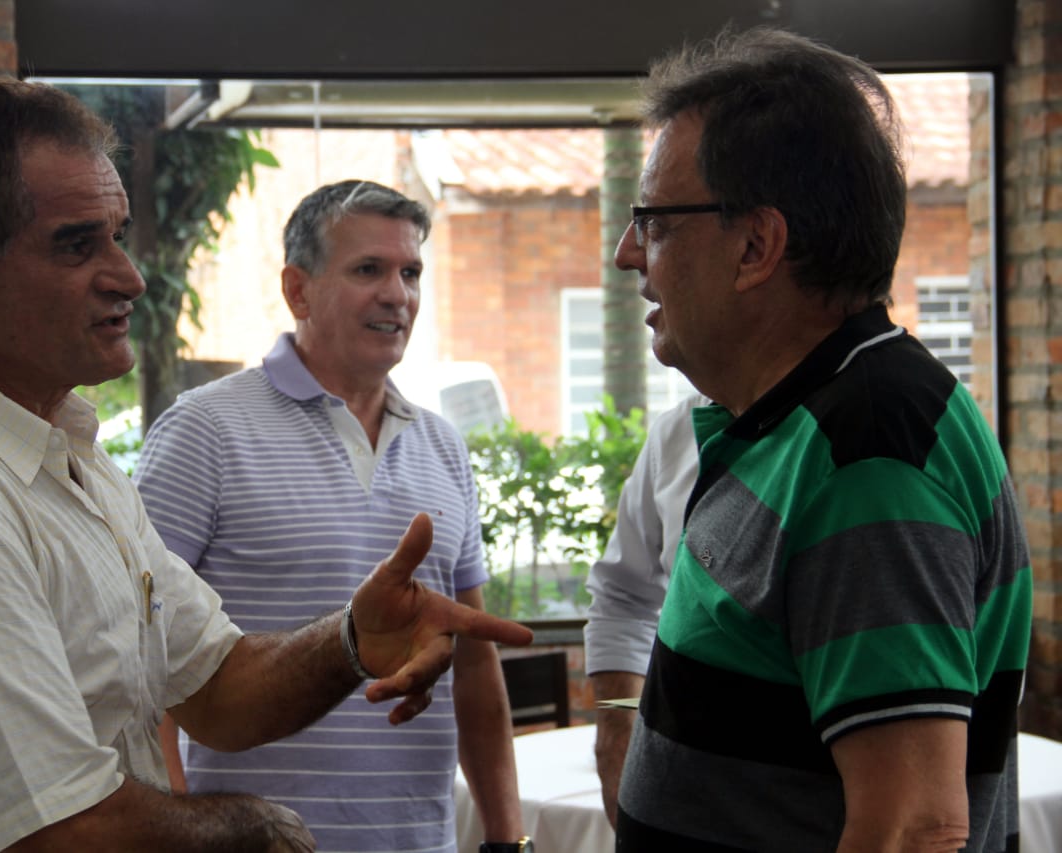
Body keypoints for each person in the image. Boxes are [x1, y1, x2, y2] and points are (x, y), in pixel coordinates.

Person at [0, 77, 533, 853]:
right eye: (77, 244)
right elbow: (61, 832)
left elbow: (217, 685)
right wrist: (249, 828)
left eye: (118, 235)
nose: (129, 275)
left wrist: (350, 639)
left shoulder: (60, 455)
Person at [612, 27, 1032, 852]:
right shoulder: (800, 420)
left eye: (654, 222)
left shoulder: (867, 452)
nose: (629, 254)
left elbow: (914, 827)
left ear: (756, 246)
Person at [132, 179, 528, 853]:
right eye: (368, 269)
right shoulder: (204, 430)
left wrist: (507, 840)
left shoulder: (443, 445)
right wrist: (179, 834)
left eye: (410, 272)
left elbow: (474, 664)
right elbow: (139, 651)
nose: (397, 294)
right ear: (298, 290)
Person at [583, 391, 706, 828]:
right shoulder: (676, 431)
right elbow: (624, 598)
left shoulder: (867, 407)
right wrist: (618, 731)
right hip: (688, 802)